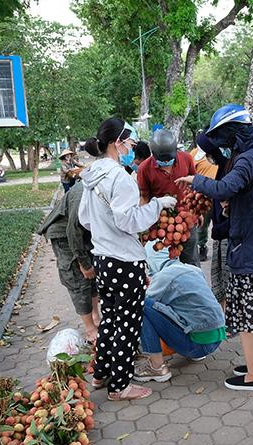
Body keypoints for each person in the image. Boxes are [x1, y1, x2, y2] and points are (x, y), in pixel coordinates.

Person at [176, 103, 253, 392]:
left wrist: (195, 180)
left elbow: (224, 187)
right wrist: (231, 205)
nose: (223, 148)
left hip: (250, 247)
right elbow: (248, 197)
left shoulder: (247, 160)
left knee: (249, 316)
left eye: (225, 140)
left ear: (235, 135)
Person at [78, 118, 178, 401]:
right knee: (128, 323)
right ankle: (120, 386)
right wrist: (158, 205)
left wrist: (104, 228)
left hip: (103, 260)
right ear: (116, 142)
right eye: (130, 142)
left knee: (109, 320)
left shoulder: (92, 175)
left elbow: (85, 219)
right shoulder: (120, 177)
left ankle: (100, 373)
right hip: (124, 262)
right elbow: (129, 221)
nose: (132, 148)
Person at [136, 246, 228, 382]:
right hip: (216, 339)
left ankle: (156, 366)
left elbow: (147, 305)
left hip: (197, 345)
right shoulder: (193, 269)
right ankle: (196, 352)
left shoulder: (163, 277)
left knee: (139, 304)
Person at [37, 180, 100, 344]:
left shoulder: (101, 187)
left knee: (93, 275)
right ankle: (90, 329)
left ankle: (96, 316)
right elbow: (73, 232)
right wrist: (83, 262)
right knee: (79, 279)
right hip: (64, 235)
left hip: (84, 233)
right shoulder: (82, 196)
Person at [137, 129, 200, 265]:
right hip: (160, 222)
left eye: (169, 159)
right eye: (162, 160)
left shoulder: (187, 158)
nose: (167, 163)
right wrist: (142, 226)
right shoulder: (144, 168)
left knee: (191, 263)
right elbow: (144, 198)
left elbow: (194, 185)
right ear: (153, 155)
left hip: (186, 218)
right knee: (162, 264)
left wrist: (197, 211)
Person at [194, 133, 232, 306]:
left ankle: (231, 319)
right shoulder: (222, 167)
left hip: (229, 234)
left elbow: (221, 192)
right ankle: (222, 318)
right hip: (218, 233)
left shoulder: (230, 168)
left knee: (228, 280)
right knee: (218, 282)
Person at [189, 140, 220, 262]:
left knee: (219, 221)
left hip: (218, 191)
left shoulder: (218, 152)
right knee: (202, 225)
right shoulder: (194, 154)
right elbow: (191, 172)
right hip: (202, 195)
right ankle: (202, 246)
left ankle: (220, 247)